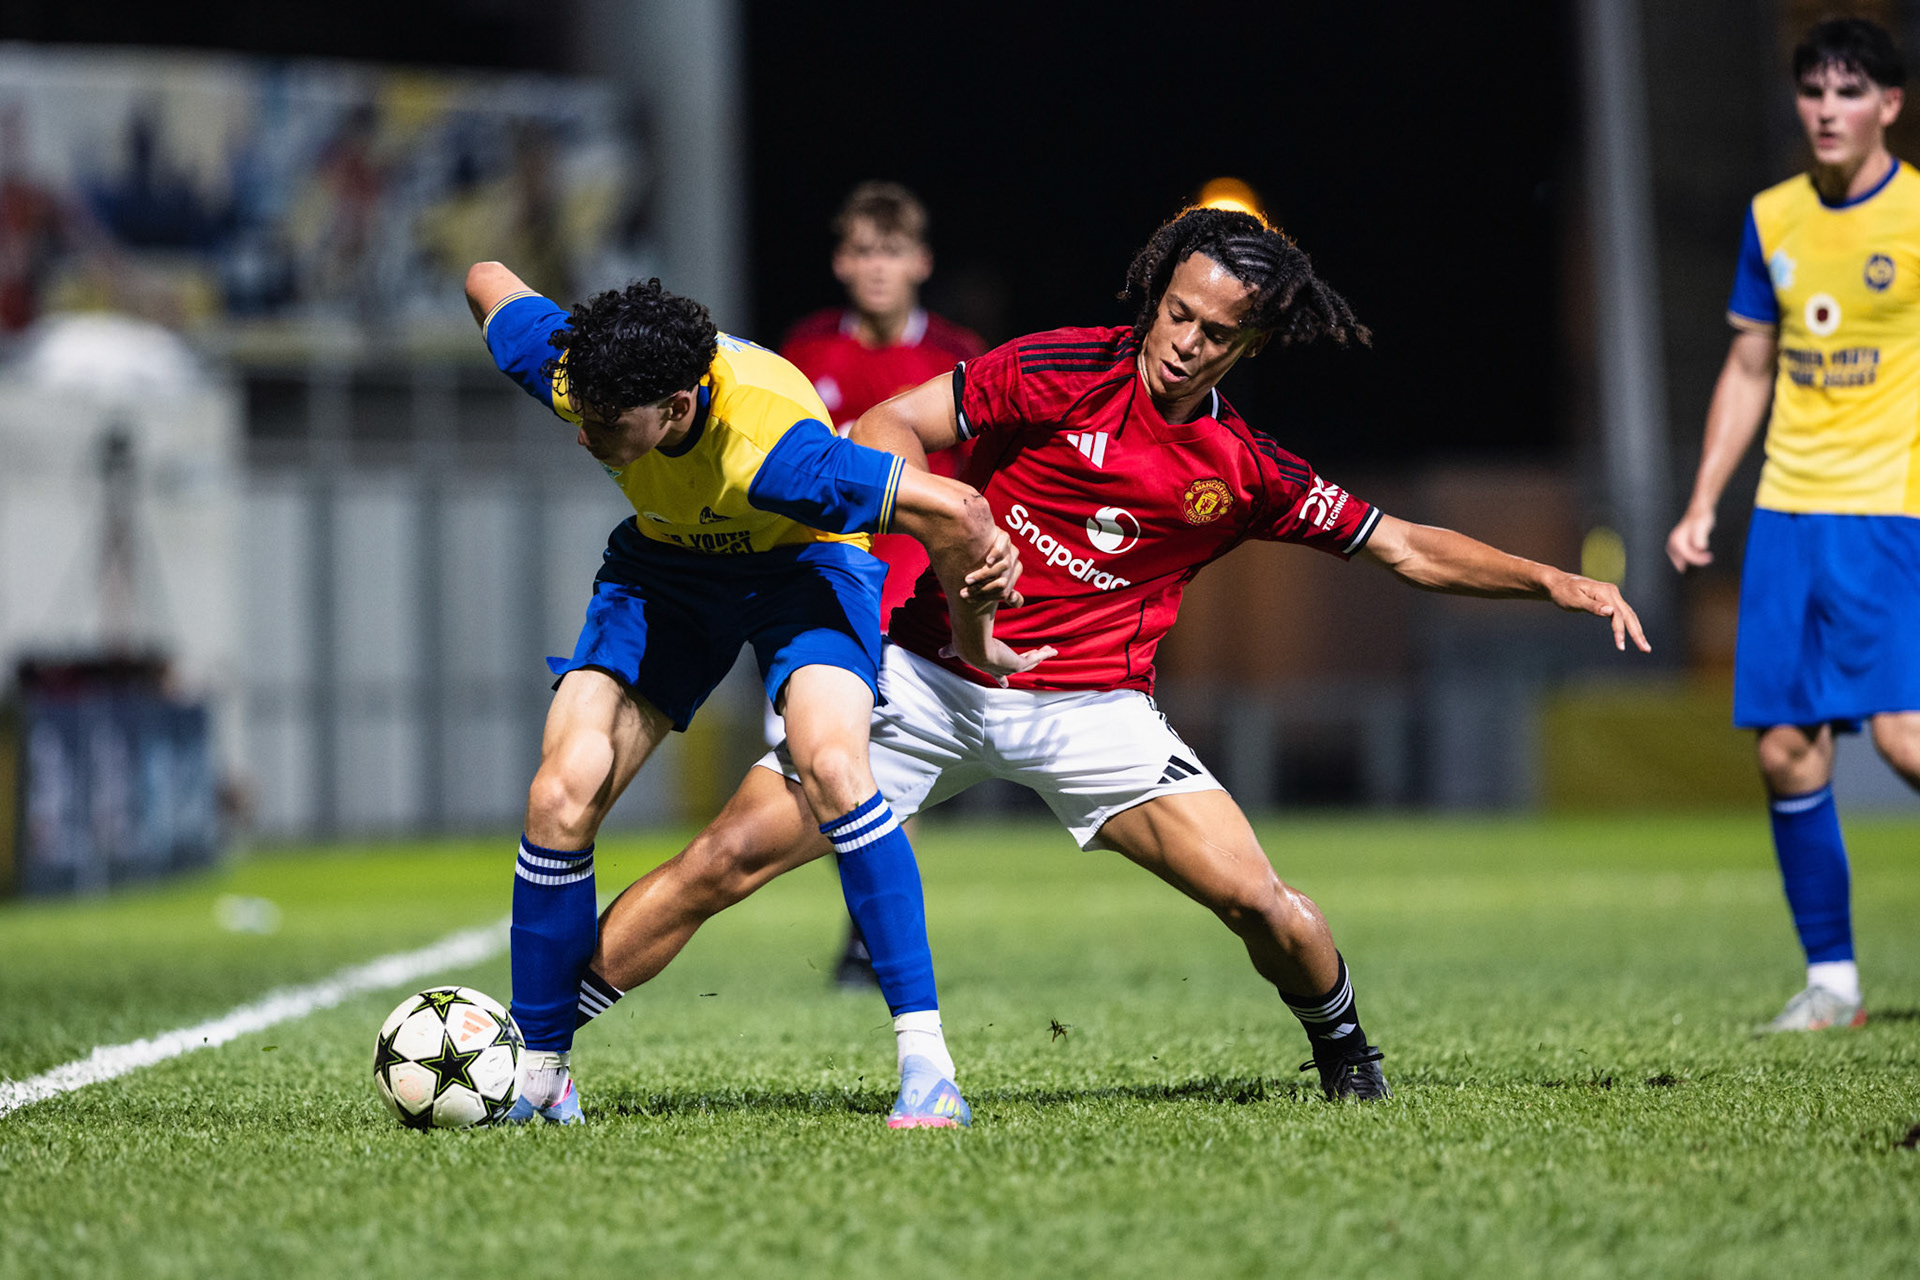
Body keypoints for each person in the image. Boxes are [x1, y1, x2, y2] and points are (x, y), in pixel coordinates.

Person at [574, 207, 1650, 1119]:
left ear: (1252, 345)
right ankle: (539, 1047)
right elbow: (894, 423)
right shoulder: (1057, 369)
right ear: (1156, 295)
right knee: (724, 857)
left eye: (1217, 331)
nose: (1185, 340)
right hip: (931, 676)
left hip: (1090, 710)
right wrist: (943, 529)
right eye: (1177, 312)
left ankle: (1344, 1049)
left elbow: (1405, 544)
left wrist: (1551, 579)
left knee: (1265, 905)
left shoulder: (1242, 468)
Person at [464, 261, 1041, 1124]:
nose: (582, 438)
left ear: (679, 405)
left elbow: (957, 511)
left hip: (801, 566)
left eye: (605, 425)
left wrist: (974, 630)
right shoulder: (583, 371)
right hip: (666, 568)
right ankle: (543, 1074)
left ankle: (928, 1069)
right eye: (578, 414)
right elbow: (485, 278)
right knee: (561, 790)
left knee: (836, 767)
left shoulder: (779, 454)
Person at [1666, 17, 1920, 1033]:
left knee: (1906, 738)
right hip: (1785, 511)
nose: (1826, 110)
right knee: (1786, 751)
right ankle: (1834, 984)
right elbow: (1749, 366)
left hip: (1887, 508)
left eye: (1849, 92)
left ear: (1890, 106)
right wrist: (1699, 501)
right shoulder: (1772, 217)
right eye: (1813, 91)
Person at [779, 181, 986, 988]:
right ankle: (866, 930)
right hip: (823, 575)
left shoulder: (955, 357)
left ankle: (873, 942)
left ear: (920, 262)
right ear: (840, 259)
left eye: (891, 251)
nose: (876, 267)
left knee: (871, 758)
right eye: (863, 250)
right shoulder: (807, 351)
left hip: (911, 585)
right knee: (826, 764)